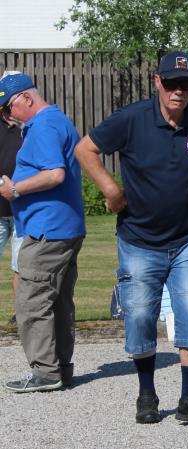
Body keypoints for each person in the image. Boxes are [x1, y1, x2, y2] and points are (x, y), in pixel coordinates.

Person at [74, 51, 188, 425]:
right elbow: (85, 149)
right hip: (138, 239)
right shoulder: (133, 119)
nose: (178, 91)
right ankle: (146, 393)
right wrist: (110, 189)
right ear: (157, 82)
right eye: (171, 83)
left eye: (186, 84)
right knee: (139, 315)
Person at [0, 73, 86, 393]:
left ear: (26, 98)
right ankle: (61, 367)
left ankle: (45, 372)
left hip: (47, 231)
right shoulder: (54, 121)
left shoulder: (45, 125)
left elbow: (54, 174)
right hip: (63, 227)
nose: (8, 116)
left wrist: (15, 189)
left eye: (8, 108)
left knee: (31, 301)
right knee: (59, 301)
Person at [0, 98, 23, 324]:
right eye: (4, 108)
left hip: (22, 210)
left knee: (21, 265)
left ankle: (21, 314)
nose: (8, 112)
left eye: (10, 107)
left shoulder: (29, 130)